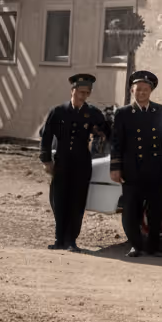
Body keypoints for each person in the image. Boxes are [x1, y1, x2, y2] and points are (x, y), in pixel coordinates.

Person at [110, 70, 162, 258]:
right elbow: (116, 142)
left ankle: (153, 247)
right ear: (132, 91)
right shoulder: (124, 113)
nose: (141, 93)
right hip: (132, 169)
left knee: (156, 209)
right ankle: (136, 245)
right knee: (132, 209)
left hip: (156, 167)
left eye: (145, 89)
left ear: (151, 91)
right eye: (138, 89)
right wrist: (115, 167)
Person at [39, 73, 107, 252]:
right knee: (59, 200)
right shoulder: (58, 111)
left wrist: (101, 131)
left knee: (77, 202)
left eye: (86, 93)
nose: (83, 96)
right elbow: (46, 136)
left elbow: (107, 130)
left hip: (81, 164)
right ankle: (59, 239)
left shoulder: (92, 113)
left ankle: (71, 240)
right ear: (72, 90)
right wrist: (46, 160)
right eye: (80, 92)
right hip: (61, 162)